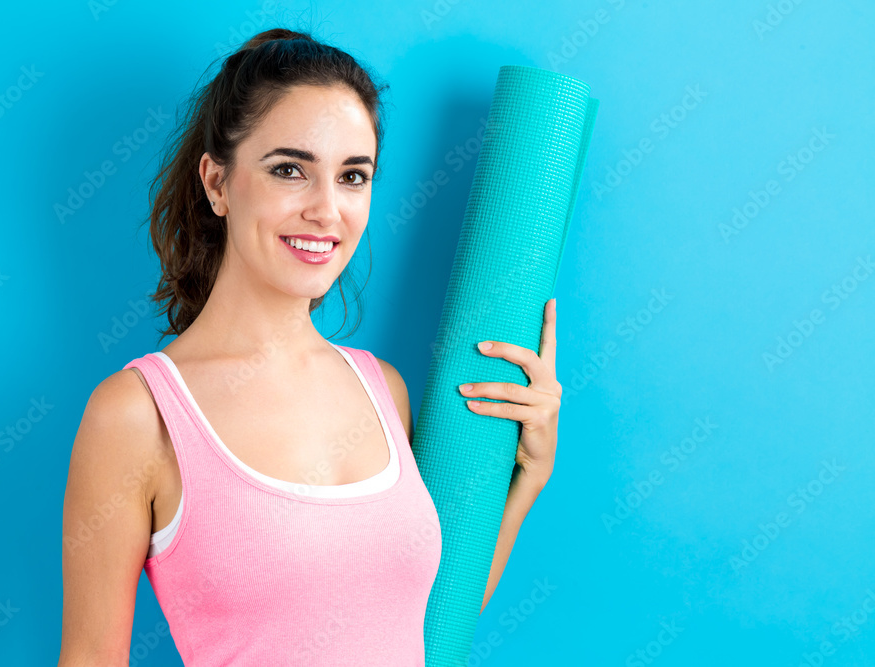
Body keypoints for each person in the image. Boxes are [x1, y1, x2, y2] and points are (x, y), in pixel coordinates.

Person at [59, 27, 561, 666]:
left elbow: (419, 626)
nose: (327, 210)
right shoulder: (139, 414)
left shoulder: (384, 390)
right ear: (217, 182)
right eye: (290, 169)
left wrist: (527, 481)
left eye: (353, 176)